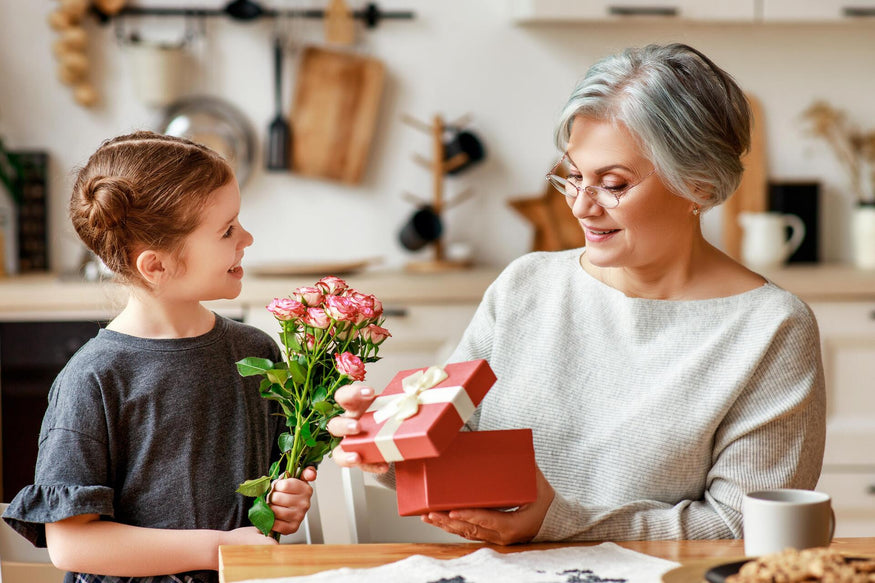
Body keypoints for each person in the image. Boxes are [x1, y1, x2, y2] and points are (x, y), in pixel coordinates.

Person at [327, 43, 826, 544]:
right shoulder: (526, 286)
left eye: (613, 184)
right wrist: (390, 446)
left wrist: (558, 523)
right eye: (573, 176)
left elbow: (741, 527)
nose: (582, 206)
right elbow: (459, 453)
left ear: (697, 184)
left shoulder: (771, 329)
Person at [2, 131, 316, 582]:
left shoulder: (256, 353)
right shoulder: (93, 379)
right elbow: (72, 544)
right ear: (156, 266)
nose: (246, 237)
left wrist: (288, 501)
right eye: (227, 230)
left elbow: (272, 495)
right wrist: (220, 548)